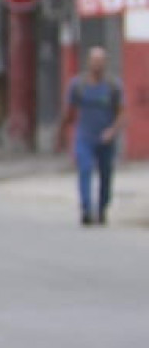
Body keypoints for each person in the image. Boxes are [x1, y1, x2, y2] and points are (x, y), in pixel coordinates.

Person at [58, 45, 123, 226]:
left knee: (105, 174)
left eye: (100, 61)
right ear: (88, 62)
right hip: (84, 137)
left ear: (105, 63)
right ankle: (86, 208)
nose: (97, 65)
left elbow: (122, 113)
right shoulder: (78, 85)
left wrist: (112, 131)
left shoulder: (113, 86)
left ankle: (102, 207)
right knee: (85, 170)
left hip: (105, 138)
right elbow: (69, 112)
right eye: (94, 61)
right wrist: (62, 133)